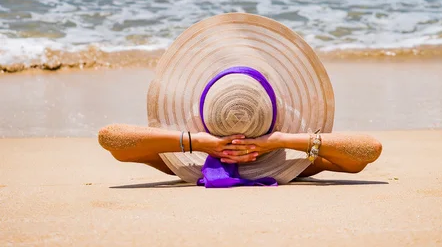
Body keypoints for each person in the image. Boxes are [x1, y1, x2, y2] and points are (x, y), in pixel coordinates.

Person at [99, 13, 382, 187]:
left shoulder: (188, 165)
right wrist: (281, 141)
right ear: (279, 110)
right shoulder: (290, 162)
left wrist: (197, 143)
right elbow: (110, 138)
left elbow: (368, 150)